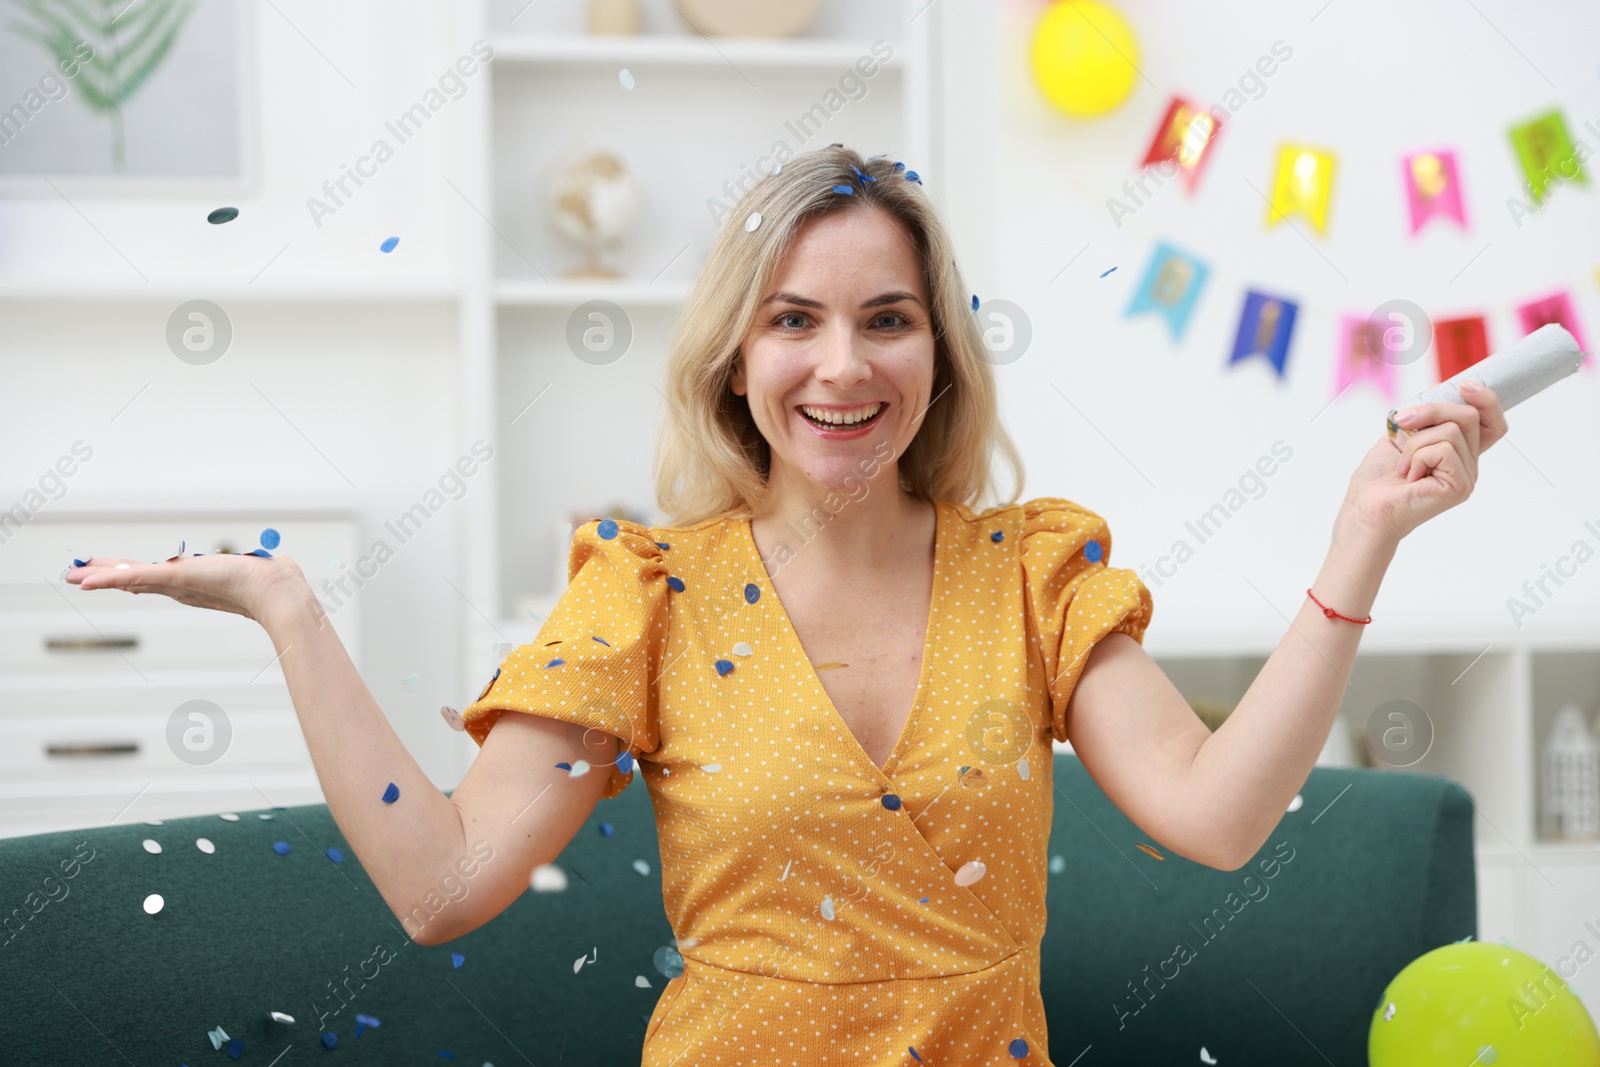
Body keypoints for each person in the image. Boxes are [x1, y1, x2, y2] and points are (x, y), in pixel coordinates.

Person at [67, 145, 1507, 1065]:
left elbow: (1219, 815)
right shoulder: (646, 598)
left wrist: (1362, 534)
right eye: (794, 319)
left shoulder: (1031, 573)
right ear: (732, 361)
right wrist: (290, 610)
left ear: (937, 353)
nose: (844, 366)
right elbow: (444, 887)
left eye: (887, 318)